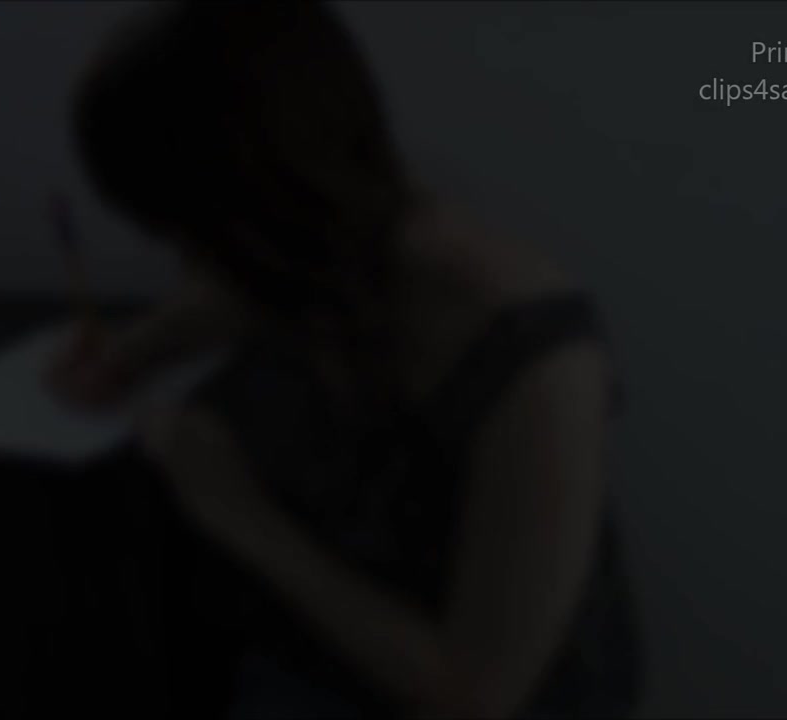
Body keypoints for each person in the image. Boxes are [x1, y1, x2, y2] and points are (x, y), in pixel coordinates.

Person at [45, 2, 642, 717]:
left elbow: (473, 694)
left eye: (190, 234)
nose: (187, 262)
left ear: (257, 205)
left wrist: (233, 507)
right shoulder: (325, 251)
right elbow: (232, 296)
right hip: (310, 659)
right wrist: (132, 351)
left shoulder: (537, 362)